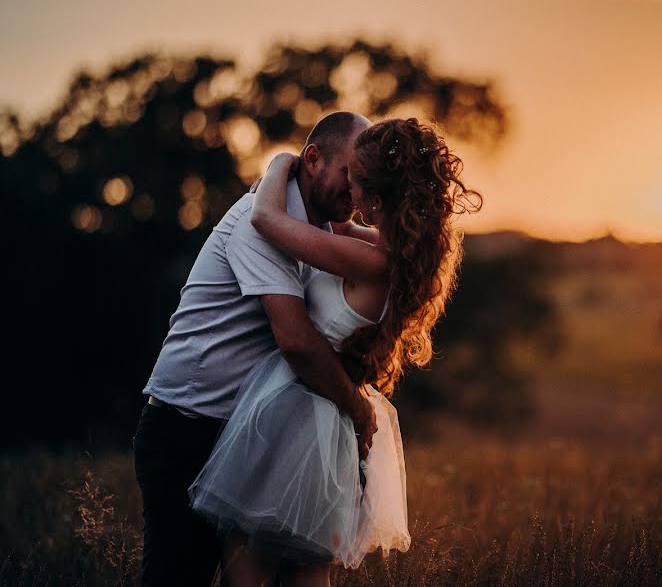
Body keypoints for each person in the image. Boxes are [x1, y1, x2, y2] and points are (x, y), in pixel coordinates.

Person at [188, 117, 482, 586]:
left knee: (247, 561)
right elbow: (336, 229)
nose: (347, 189)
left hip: (301, 412)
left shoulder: (366, 259)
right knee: (307, 565)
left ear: (375, 200)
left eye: (356, 182)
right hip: (328, 422)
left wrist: (280, 162)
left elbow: (266, 219)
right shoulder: (392, 255)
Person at [133, 111, 376, 587]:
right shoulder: (256, 222)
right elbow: (296, 341)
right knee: (177, 577)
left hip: (242, 437)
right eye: (351, 174)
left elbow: (396, 248)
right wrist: (356, 407)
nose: (358, 190)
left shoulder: (318, 226)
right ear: (313, 160)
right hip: (187, 428)